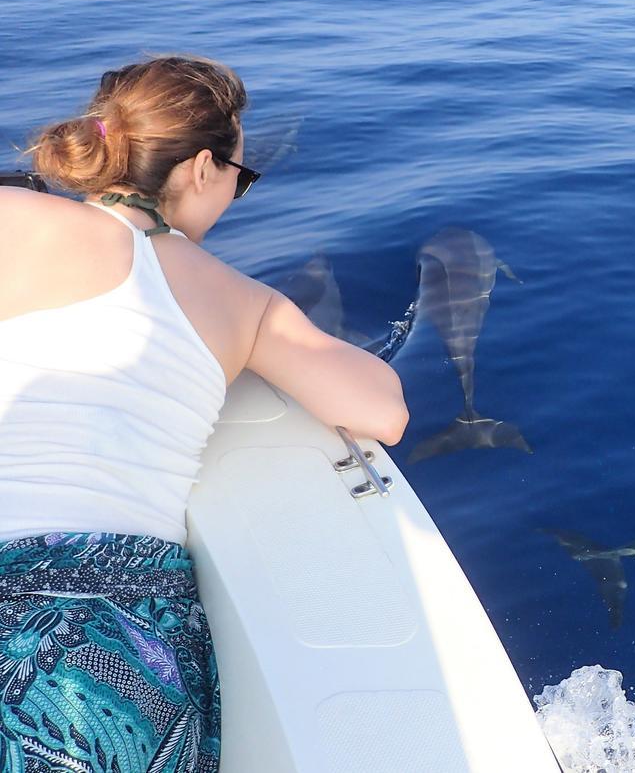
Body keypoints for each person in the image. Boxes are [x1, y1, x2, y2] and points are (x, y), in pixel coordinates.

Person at [0, 56, 408, 772]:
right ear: (200, 169)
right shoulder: (241, 303)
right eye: (240, 180)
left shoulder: (16, 219)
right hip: (107, 628)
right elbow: (382, 410)